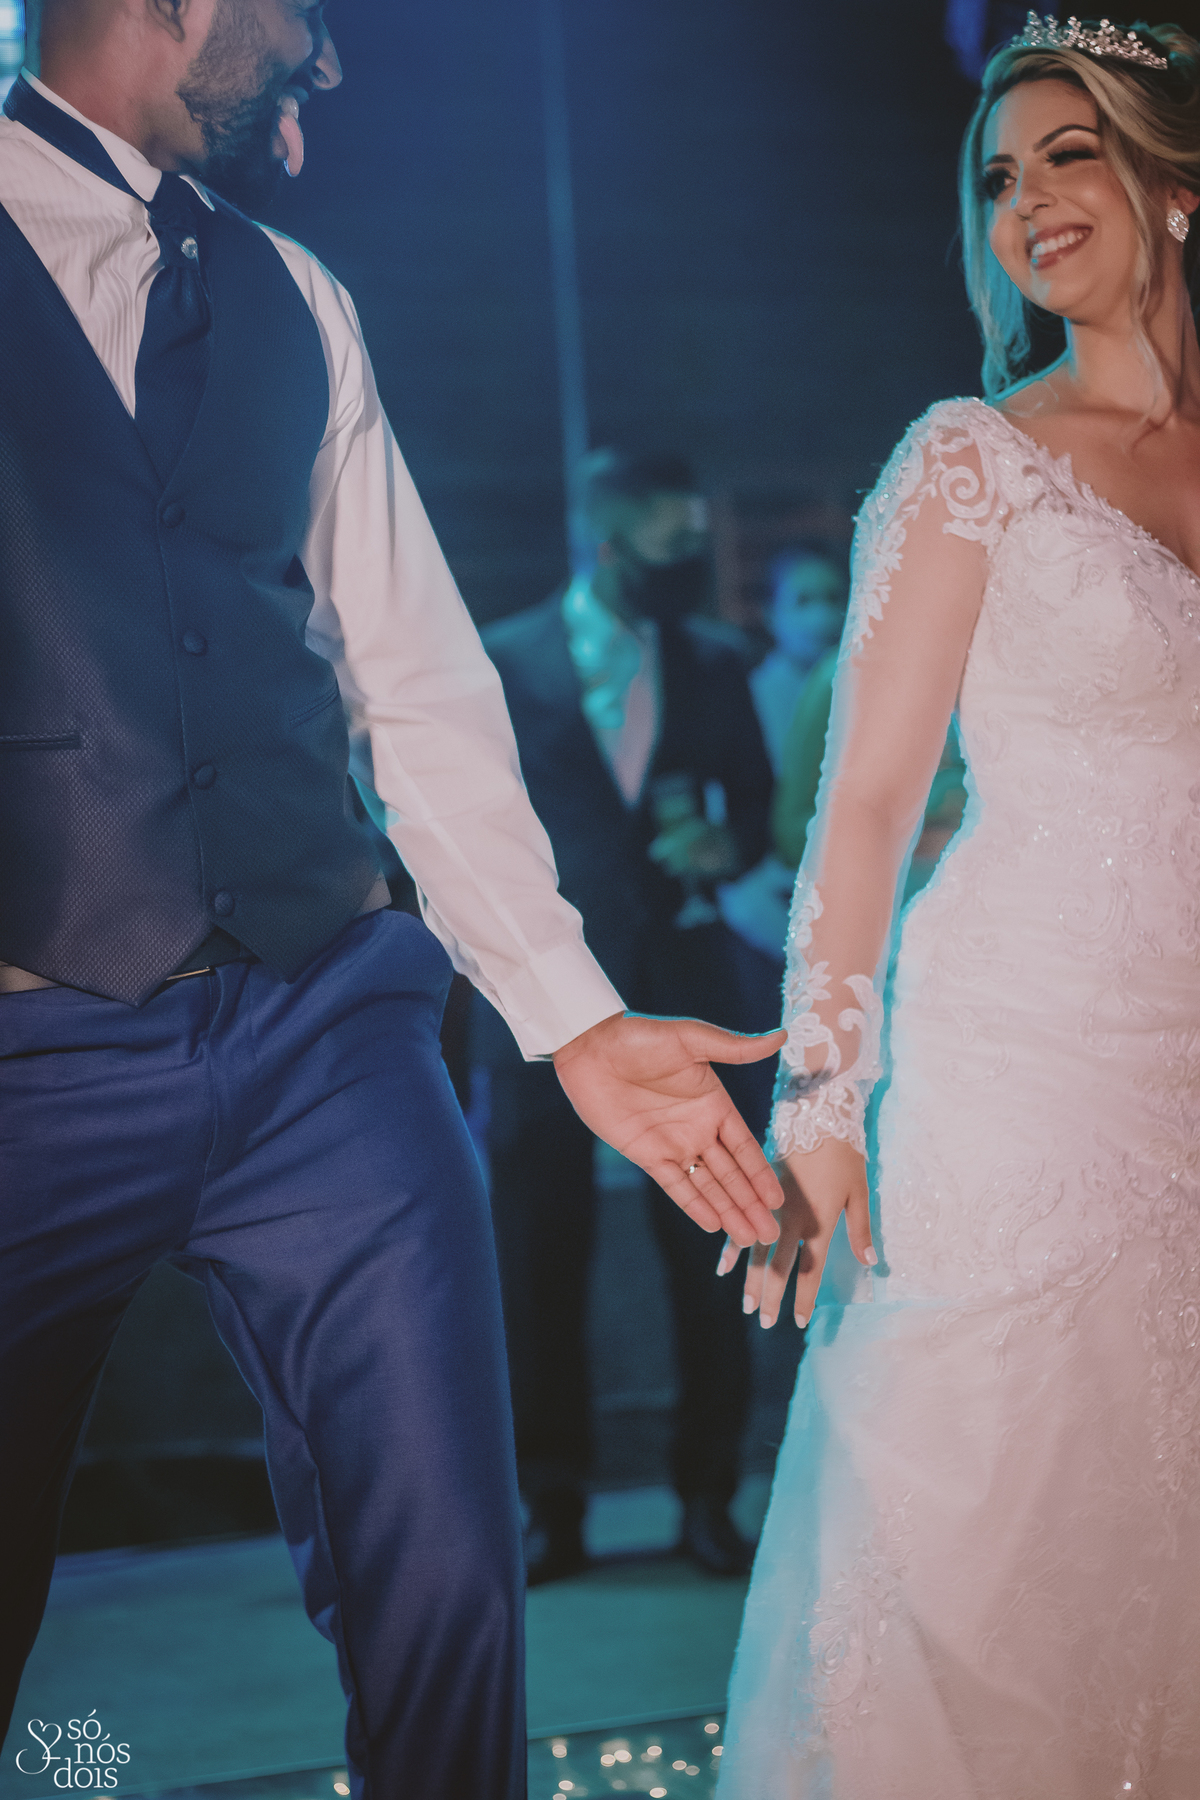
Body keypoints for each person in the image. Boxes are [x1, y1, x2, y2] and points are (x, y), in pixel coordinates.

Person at [0, 6, 789, 1795]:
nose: (330, 59)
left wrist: (572, 1017)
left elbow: (417, 680)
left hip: (328, 1031)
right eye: (306, 9)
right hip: (32, 1053)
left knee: (447, 1569)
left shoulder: (301, 297)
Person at [719, 16, 1200, 1795]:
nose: (1029, 200)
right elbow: (864, 807)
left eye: (1073, 153)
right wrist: (820, 1104)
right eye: (999, 177)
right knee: (989, 1537)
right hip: (1019, 1069)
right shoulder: (965, 462)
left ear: (1175, 179)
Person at [475, 449, 777, 1583]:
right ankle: (551, 1506)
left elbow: (756, 804)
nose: (688, 559)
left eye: (697, 539)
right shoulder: (503, 659)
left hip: (686, 982)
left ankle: (708, 1493)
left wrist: (724, 846)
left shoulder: (716, 659)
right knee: (536, 1256)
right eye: (670, 541)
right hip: (540, 1007)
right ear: (605, 541)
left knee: (711, 1241)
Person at [748, 544, 849, 776]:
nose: (822, 616)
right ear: (770, 613)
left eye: (833, 598)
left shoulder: (862, 689)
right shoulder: (752, 697)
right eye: (803, 600)